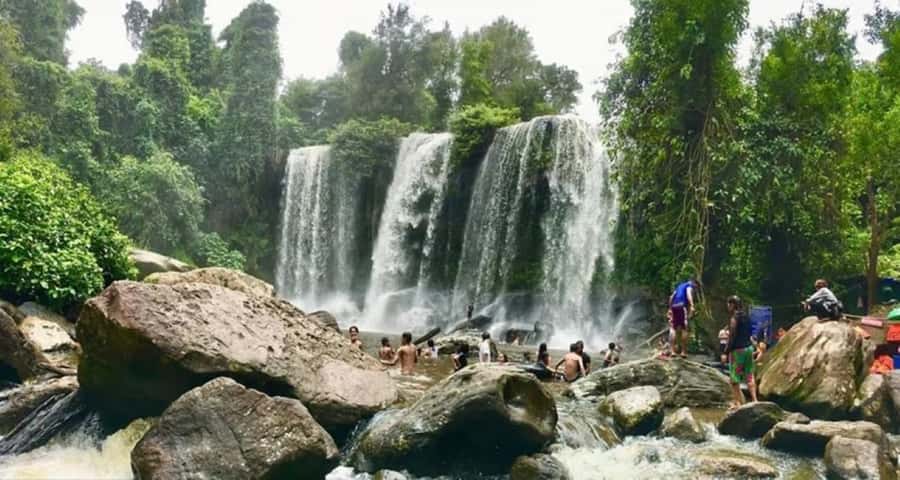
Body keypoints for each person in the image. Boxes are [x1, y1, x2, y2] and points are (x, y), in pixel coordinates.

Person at [724, 295, 757, 408]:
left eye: (728, 304)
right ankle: (755, 400)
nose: (728, 307)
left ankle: (737, 403)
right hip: (749, 349)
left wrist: (726, 351)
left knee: (734, 378)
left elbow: (732, 335)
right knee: (749, 375)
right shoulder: (747, 317)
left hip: (738, 351)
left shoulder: (734, 317)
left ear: (732, 305)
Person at [669, 278, 698, 358]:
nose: (695, 289)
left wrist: (670, 308)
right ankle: (683, 352)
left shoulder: (680, 286)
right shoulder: (689, 286)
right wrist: (692, 305)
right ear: (693, 282)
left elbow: (671, 297)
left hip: (674, 306)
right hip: (682, 306)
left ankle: (672, 351)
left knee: (674, 328)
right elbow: (688, 294)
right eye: (696, 287)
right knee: (684, 328)